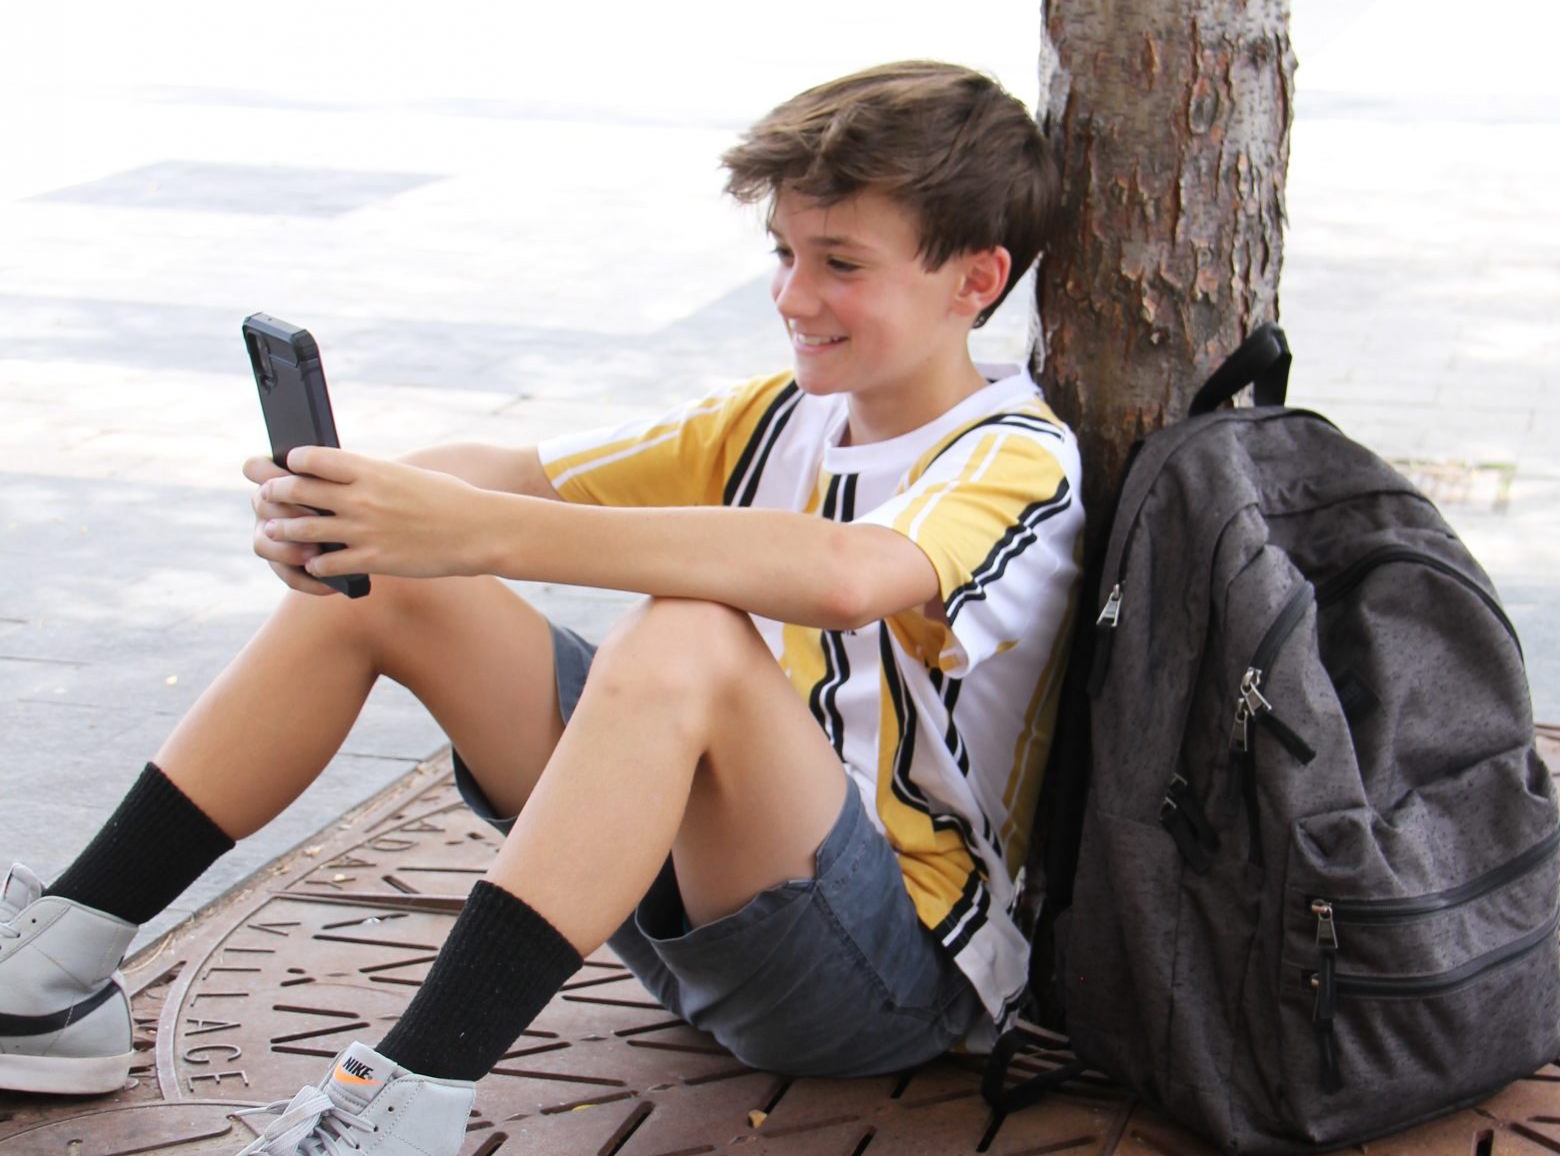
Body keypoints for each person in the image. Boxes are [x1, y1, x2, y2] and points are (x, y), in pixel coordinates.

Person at [0, 60, 1082, 1155]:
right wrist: (356, 501)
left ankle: (408, 1100)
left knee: (687, 631)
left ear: (973, 282)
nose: (795, 298)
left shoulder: (1014, 457)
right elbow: (512, 469)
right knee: (397, 583)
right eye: (785, 255)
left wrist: (474, 529)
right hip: (688, 913)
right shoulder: (777, 417)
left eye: (840, 264)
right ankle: (57, 966)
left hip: (877, 980)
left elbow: (849, 575)